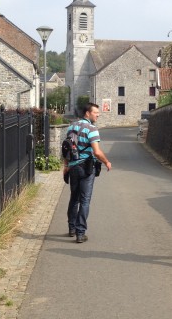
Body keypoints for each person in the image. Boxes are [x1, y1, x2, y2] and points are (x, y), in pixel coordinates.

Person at [63, 102, 112, 243]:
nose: (98, 115)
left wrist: (66, 165)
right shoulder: (92, 129)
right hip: (86, 167)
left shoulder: (71, 127)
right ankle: (80, 232)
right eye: (95, 113)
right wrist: (106, 162)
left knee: (74, 198)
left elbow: (67, 148)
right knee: (84, 200)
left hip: (73, 167)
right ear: (87, 113)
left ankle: (71, 228)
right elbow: (96, 152)